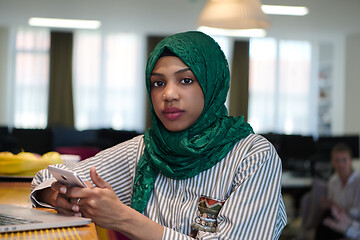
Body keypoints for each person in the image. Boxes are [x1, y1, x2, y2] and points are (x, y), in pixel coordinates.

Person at [30, 31, 287, 239]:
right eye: (158, 83)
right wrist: (59, 198)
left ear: (213, 84)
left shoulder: (253, 156)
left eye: (185, 80)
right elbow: (46, 177)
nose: (169, 94)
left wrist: (123, 218)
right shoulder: (146, 149)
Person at [316, 142, 360, 239]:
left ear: (350, 161)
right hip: (337, 217)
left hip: (352, 221)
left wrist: (342, 210)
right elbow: (332, 205)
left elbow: (357, 212)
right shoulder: (332, 181)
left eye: (344, 160)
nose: (341, 164)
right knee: (324, 222)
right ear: (332, 162)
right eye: (337, 160)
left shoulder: (358, 181)